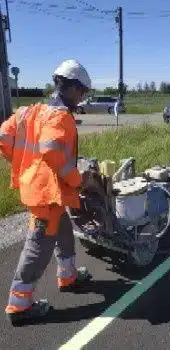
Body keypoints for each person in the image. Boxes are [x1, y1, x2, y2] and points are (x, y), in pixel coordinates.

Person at [0, 59, 98, 325]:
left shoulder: (30, 111)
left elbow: (4, 137)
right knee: (38, 246)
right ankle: (19, 305)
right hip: (46, 194)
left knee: (64, 230)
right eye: (83, 92)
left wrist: (24, 165)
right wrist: (77, 179)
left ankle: (68, 277)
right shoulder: (60, 117)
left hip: (42, 189)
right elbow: (52, 152)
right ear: (74, 89)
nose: (82, 98)